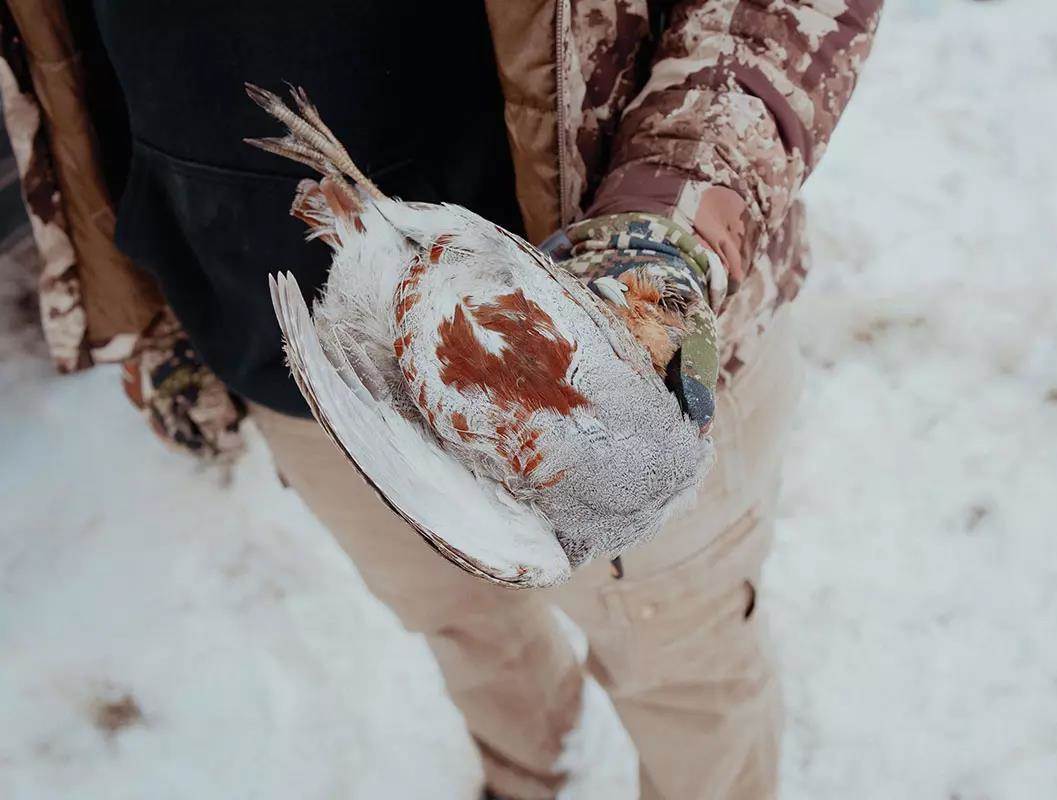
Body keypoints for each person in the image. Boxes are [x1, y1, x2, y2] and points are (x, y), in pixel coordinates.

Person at [0, 1, 881, 797]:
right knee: (460, 626)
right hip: (285, 357)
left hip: (600, 357)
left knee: (682, 664)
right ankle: (534, 772)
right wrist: (150, 318)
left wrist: (675, 216)